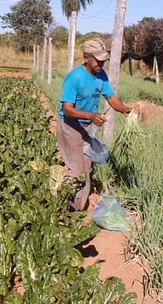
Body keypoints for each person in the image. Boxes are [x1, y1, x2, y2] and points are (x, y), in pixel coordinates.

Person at [57, 38, 135, 211]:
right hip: (70, 126)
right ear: (86, 58)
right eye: (98, 60)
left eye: (103, 60)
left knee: (86, 166)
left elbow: (112, 99)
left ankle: (77, 206)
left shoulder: (101, 76)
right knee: (76, 169)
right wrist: (91, 115)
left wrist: (127, 110)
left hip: (86, 126)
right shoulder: (74, 78)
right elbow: (68, 109)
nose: (101, 63)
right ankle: (69, 209)